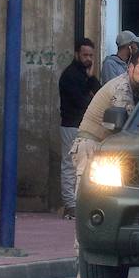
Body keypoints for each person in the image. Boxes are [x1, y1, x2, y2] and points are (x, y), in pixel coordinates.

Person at [69, 51, 139, 278]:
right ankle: (84, 272)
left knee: (108, 207)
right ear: (130, 68)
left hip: (108, 152)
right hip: (91, 147)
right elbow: (127, 127)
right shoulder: (122, 88)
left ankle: (109, 271)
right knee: (89, 206)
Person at [58, 38, 100, 218]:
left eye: (91, 55)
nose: (88, 58)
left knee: (84, 167)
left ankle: (78, 202)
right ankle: (70, 204)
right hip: (72, 125)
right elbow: (83, 102)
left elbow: (100, 93)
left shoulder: (85, 75)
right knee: (70, 166)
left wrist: (91, 78)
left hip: (84, 127)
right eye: (85, 55)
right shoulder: (70, 76)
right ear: (77, 54)